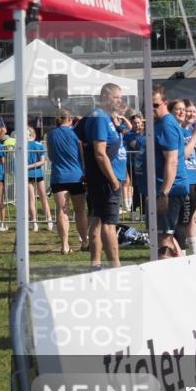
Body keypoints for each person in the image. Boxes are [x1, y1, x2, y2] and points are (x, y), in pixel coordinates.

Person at [79, 83, 127, 269]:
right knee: (109, 223)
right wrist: (114, 180)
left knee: (98, 220)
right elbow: (99, 152)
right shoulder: (99, 118)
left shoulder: (103, 117)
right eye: (116, 97)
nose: (119, 101)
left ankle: (95, 264)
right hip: (106, 179)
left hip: (106, 178)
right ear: (105, 97)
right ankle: (115, 266)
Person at [153, 85, 189, 258]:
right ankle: (181, 268)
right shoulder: (159, 123)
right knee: (164, 235)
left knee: (164, 238)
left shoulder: (167, 125)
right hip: (163, 188)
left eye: (155, 105)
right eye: (148, 105)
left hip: (170, 189)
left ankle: (164, 276)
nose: (152, 109)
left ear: (164, 103)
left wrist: (164, 193)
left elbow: (172, 161)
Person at [47, 110, 88, 254]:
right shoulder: (76, 133)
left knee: (62, 211)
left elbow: (51, 156)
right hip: (77, 176)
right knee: (80, 211)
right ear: (69, 119)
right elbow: (82, 155)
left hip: (59, 176)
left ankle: (64, 246)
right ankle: (85, 242)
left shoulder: (51, 134)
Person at [175, 99, 196, 255]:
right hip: (184, 180)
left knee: (193, 219)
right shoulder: (179, 130)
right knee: (184, 220)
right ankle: (182, 253)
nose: (193, 114)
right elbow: (184, 155)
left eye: (195, 111)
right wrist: (194, 135)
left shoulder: (194, 131)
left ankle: (195, 253)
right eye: (189, 111)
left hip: (195, 179)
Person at [26, 126, 54, 232]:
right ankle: (48, 221)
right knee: (43, 198)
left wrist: (27, 166)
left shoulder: (23, 146)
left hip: (29, 174)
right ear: (34, 135)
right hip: (37, 174)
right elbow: (42, 161)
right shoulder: (39, 145)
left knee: (32, 200)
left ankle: (35, 223)